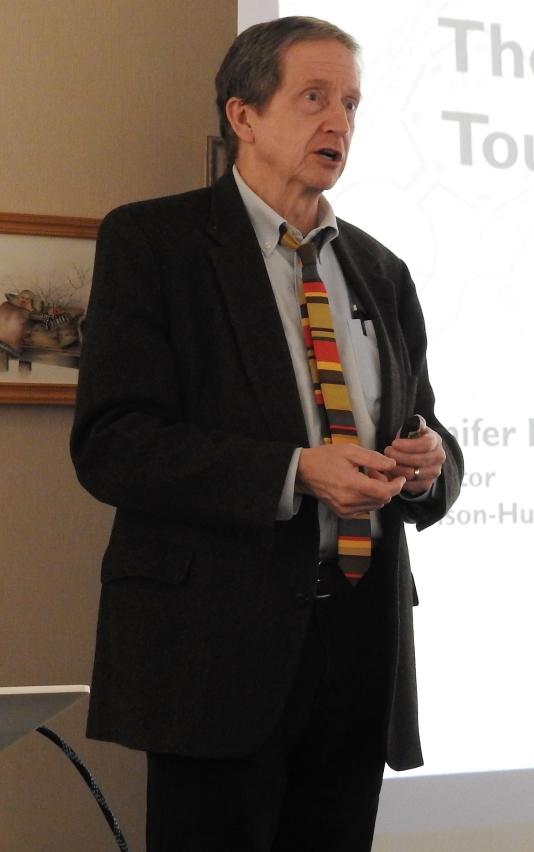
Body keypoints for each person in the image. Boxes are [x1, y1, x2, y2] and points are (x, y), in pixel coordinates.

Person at [70, 16, 463, 852]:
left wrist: (430, 465)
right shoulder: (157, 243)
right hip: (214, 650)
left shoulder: (381, 269)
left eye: (351, 104)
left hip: (359, 644)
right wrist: (294, 472)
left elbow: (427, 426)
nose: (339, 124)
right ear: (242, 114)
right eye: (314, 97)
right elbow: (114, 442)